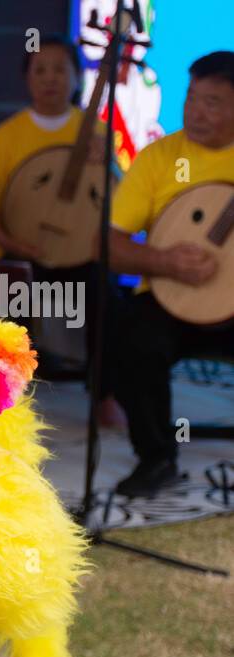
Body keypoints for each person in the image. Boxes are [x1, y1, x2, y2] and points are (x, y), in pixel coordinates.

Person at [107, 51, 234, 498]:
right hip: (169, 299)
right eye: (192, 98)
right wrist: (165, 262)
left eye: (213, 102)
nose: (196, 111)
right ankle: (157, 457)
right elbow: (110, 245)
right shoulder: (161, 158)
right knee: (129, 340)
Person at [0, 35, 102, 373]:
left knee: (112, 298)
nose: (50, 78)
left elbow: (117, 204)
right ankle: (7, 388)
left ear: (77, 78)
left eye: (60, 70)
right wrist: (11, 243)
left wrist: (109, 166)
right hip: (20, 253)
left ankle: (104, 395)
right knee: (4, 291)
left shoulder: (98, 134)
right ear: (27, 79)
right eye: (40, 70)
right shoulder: (5, 137)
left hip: (83, 258)